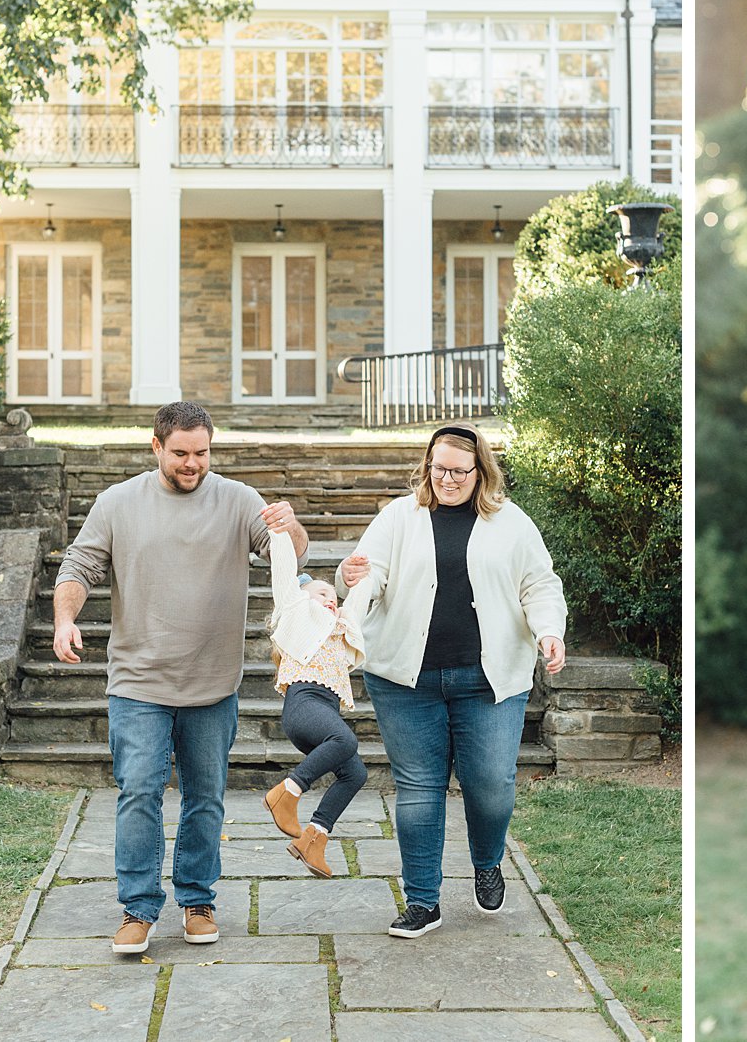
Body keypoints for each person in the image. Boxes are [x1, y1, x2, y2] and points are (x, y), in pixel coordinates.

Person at [52, 401, 308, 956]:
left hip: (212, 684)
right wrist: (65, 619)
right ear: (156, 447)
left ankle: (197, 899)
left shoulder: (239, 499)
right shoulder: (117, 503)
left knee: (205, 797)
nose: (192, 464)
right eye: (181, 454)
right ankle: (138, 909)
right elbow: (78, 567)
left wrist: (291, 529)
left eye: (202, 453)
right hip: (138, 682)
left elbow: (286, 557)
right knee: (139, 791)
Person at [338, 423, 566, 938]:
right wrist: (353, 580)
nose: (447, 479)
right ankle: (422, 901)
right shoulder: (400, 516)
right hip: (405, 678)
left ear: (480, 471)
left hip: (488, 680)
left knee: (490, 785)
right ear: (428, 466)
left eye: (459, 471)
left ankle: (487, 862)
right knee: (419, 788)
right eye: (438, 469)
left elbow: (539, 583)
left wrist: (550, 631)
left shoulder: (509, 522)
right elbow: (367, 572)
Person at [260, 519, 372, 878]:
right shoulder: (296, 613)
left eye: (333, 597)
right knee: (345, 739)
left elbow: (360, 600)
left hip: (324, 711)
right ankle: (286, 792)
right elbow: (284, 570)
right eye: (322, 594)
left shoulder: (341, 628)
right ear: (303, 596)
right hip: (303, 704)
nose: (330, 600)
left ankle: (315, 838)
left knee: (354, 773)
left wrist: (367, 573)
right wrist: (279, 533)